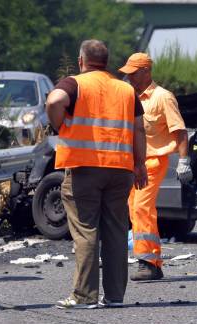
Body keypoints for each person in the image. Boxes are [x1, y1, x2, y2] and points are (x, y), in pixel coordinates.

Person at [46, 39, 147, 309]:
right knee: (115, 230)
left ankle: (84, 296)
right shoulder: (126, 89)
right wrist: (140, 165)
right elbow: (139, 129)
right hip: (120, 169)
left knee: (86, 230)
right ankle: (115, 296)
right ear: (107, 61)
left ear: (82, 61)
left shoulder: (75, 83)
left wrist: (60, 125)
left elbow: (55, 100)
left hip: (84, 169)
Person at [119, 53, 192, 281]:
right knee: (134, 208)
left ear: (146, 72)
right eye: (127, 73)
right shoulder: (130, 96)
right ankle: (153, 262)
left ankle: (148, 263)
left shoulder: (163, 97)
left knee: (142, 208)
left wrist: (184, 160)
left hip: (153, 161)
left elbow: (179, 131)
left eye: (133, 73)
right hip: (133, 162)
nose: (129, 77)